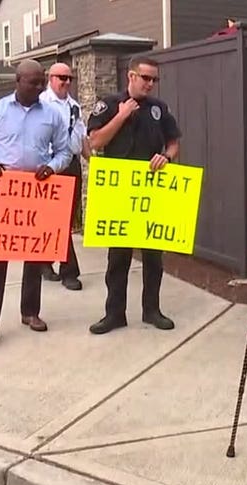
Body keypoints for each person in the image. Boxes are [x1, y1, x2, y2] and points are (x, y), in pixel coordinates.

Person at [0, 60, 72, 343]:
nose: (39, 87)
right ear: (18, 81)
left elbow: (64, 151)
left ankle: (30, 312)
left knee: (35, 257)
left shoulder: (51, 115)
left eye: (42, 82)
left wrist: (53, 167)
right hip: (3, 194)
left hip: (36, 193)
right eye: (33, 82)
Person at [87, 56, 181, 335]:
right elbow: (95, 141)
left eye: (154, 79)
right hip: (119, 192)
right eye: (145, 78)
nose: (150, 84)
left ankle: (152, 310)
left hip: (151, 190)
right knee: (118, 258)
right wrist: (122, 115)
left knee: (154, 257)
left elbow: (174, 142)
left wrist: (166, 156)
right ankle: (114, 313)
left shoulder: (159, 109)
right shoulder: (109, 104)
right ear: (131, 76)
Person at [40, 62, 89, 291]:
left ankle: (44, 262)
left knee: (66, 219)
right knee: (55, 219)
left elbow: (82, 138)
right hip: (49, 167)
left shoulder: (74, 106)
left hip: (72, 165)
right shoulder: (40, 104)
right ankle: (69, 271)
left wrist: (93, 161)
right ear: (51, 78)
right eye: (62, 77)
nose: (67, 82)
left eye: (70, 78)